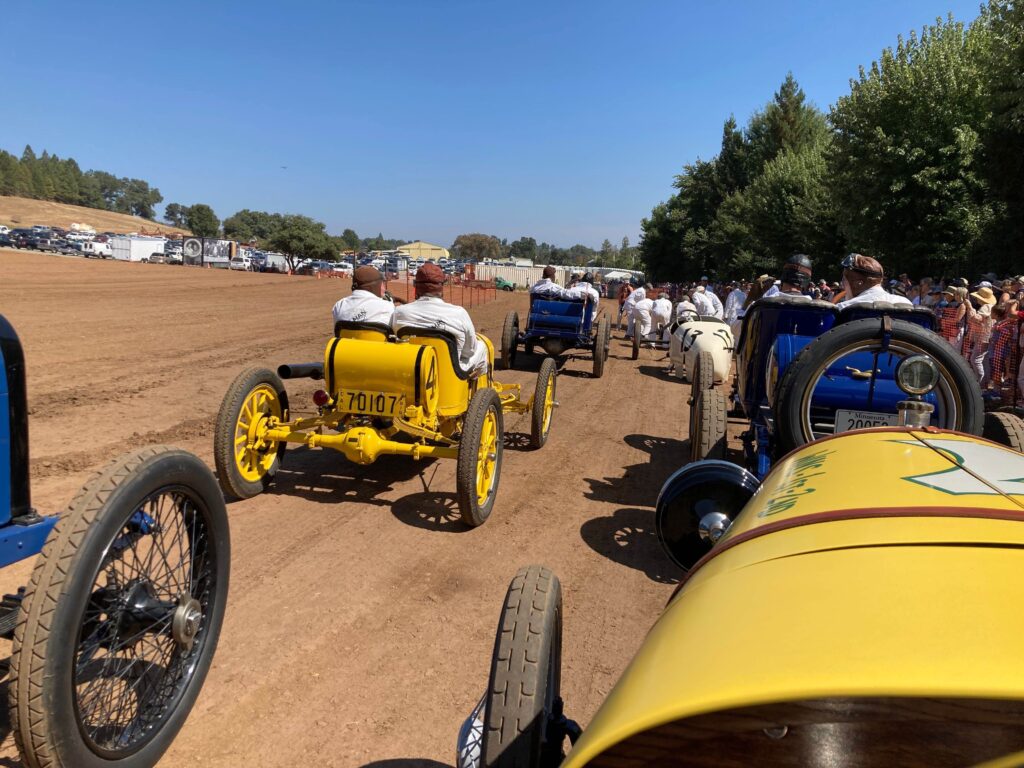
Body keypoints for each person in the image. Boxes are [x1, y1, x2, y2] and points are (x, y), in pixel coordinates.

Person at [392, 262, 488, 375]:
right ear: (441, 287)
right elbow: (469, 352)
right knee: (481, 347)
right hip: (450, 374)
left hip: (411, 372)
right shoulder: (459, 313)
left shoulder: (399, 312)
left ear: (416, 286)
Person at [834, 254, 912, 310]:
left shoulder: (844, 309)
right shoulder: (905, 304)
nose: (843, 284)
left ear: (858, 283)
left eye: (844, 280)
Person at [965, 285, 996, 382]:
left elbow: (976, 319)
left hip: (982, 337)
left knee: (975, 360)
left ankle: (979, 381)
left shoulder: (986, 306)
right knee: (984, 360)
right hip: (986, 337)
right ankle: (984, 382)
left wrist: (970, 307)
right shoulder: (989, 306)